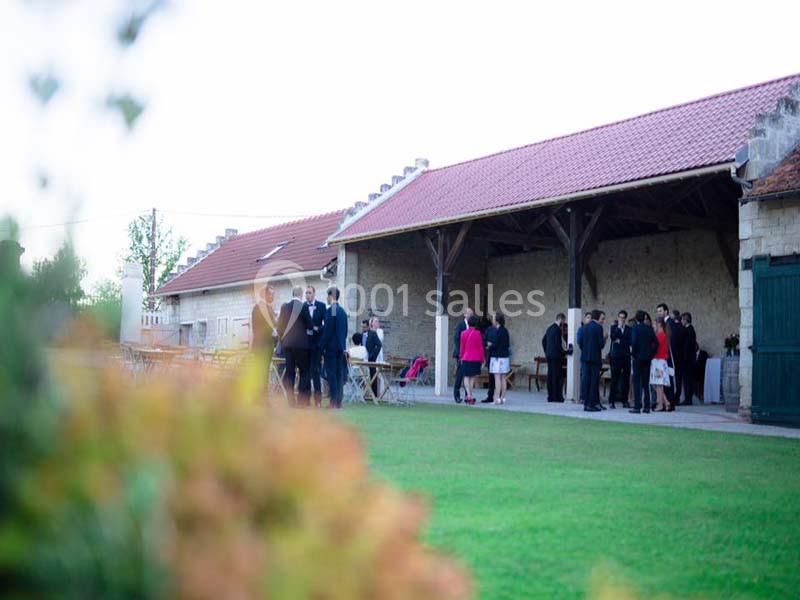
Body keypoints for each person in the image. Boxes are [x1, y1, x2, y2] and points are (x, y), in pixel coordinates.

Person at [277, 286, 313, 407]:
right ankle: (302, 400)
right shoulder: (304, 307)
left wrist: (284, 340)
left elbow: (279, 327)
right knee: (304, 371)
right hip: (301, 345)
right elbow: (310, 325)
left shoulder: (284, 307)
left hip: (288, 345)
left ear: (292, 294)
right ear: (301, 295)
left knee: (290, 372)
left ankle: (291, 402)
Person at [319, 286, 348, 408]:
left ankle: (334, 402)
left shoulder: (332, 311)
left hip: (331, 348)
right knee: (339, 375)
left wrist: (321, 347)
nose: (327, 298)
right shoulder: (343, 312)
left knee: (332, 376)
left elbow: (328, 331)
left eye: (327, 295)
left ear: (331, 296)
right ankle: (338, 402)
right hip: (341, 348)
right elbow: (345, 332)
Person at [577, 309, 605, 411]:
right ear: (597, 317)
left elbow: (580, 342)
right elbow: (601, 344)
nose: (603, 320)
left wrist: (585, 350)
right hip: (595, 358)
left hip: (585, 357)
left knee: (586, 381)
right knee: (593, 382)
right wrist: (604, 339)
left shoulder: (584, 327)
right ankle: (591, 404)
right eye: (602, 318)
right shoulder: (598, 328)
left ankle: (585, 403)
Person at [630, 310, 657, 414]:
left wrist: (634, 354)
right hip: (647, 358)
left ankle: (637, 406)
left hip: (637, 358)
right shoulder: (649, 328)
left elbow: (634, 342)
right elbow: (656, 343)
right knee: (646, 383)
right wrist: (651, 354)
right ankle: (646, 407)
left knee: (637, 382)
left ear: (636, 319)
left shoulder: (635, 328)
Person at [305, 285, 326, 407]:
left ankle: (318, 400)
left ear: (314, 294)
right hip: (305, 344)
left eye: (309, 293)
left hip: (317, 345)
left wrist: (318, 328)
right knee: (306, 372)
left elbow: (326, 324)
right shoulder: (303, 306)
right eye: (306, 293)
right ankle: (306, 399)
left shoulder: (321, 306)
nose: (307, 295)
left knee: (316, 371)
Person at [656, 303, 679, 411]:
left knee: (669, 379)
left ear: (666, 311)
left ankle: (670, 402)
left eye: (660, 311)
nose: (659, 313)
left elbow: (671, 340)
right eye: (658, 311)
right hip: (662, 357)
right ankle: (663, 403)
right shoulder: (662, 323)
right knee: (662, 380)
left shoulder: (670, 323)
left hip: (669, 356)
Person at [459, 315, 484, 405]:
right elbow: (480, 347)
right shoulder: (478, 333)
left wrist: (461, 357)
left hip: (466, 357)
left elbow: (462, 347)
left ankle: (468, 395)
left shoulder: (463, 333)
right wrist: (482, 359)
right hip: (475, 358)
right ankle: (470, 395)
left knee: (466, 377)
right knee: (472, 377)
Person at [608, 310, 632, 409]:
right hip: (616, 357)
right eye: (620, 317)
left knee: (626, 379)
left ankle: (625, 401)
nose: (621, 319)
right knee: (614, 379)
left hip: (626, 356)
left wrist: (620, 341)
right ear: (618, 318)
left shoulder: (629, 329)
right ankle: (611, 401)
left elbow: (630, 341)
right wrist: (618, 328)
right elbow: (613, 338)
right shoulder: (614, 327)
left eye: (623, 317)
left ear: (625, 318)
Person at [487, 312, 511, 405]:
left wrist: (489, 346)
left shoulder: (498, 331)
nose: (492, 319)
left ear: (497, 321)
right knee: (503, 378)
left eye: (493, 318)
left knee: (497, 378)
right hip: (505, 357)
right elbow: (507, 344)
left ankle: (496, 398)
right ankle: (502, 397)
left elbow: (495, 344)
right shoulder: (505, 331)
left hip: (497, 357)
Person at [542, 313, 566, 402]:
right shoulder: (558, 329)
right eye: (563, 321)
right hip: (556, 356)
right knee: (556, 376)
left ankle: (550, 396)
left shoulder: (549, 328)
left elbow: (543, 341)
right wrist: (563, 352)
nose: (563, 323)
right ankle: (556, 397)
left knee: (550, 376)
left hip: (549, 355)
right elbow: (558, 344)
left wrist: (546, 351)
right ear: (561, 319)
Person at [651, 316, 672, 412]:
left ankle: (660, 404)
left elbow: (655, 348)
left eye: (654, 324)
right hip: (660, 361)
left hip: (658, 361)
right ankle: (666, 402)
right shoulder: (664, 335)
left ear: (659, 324)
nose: (653, 326)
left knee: (658, 384)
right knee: (657, 384)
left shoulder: (660, 335)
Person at [452, 308, 473, 403]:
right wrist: (460, 352)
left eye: (471, 314)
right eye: (469, 314)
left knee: (467, 375)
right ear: (465, 314)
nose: (470, 316)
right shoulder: (460, 325)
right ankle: (456, 395)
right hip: (461, 354)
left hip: (469, 354)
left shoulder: (472, 326)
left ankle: (467, 395)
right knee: (460, 375)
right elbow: (456, 338)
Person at [364, 317, 383, 398]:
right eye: (375, 321)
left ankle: (375, 394)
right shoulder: (368, 333)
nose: (377, 323)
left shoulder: (376, 332)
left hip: (374, 356)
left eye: (377, 321)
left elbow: (379, 344)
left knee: (375, 374)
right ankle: (368, 393)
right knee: (369, 375)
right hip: (366, 357)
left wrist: (373, 355)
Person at [681, 312, 698, 406]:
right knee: (687, 379)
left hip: (688, 360)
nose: (681, 321)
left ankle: (688, 399)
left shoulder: (688, 330)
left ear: (686, 320)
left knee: (688, 380)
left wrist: (683, 358)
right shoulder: (689, 329)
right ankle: (688, 398)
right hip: (689, 359)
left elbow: (687, 346)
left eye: (682, 319)